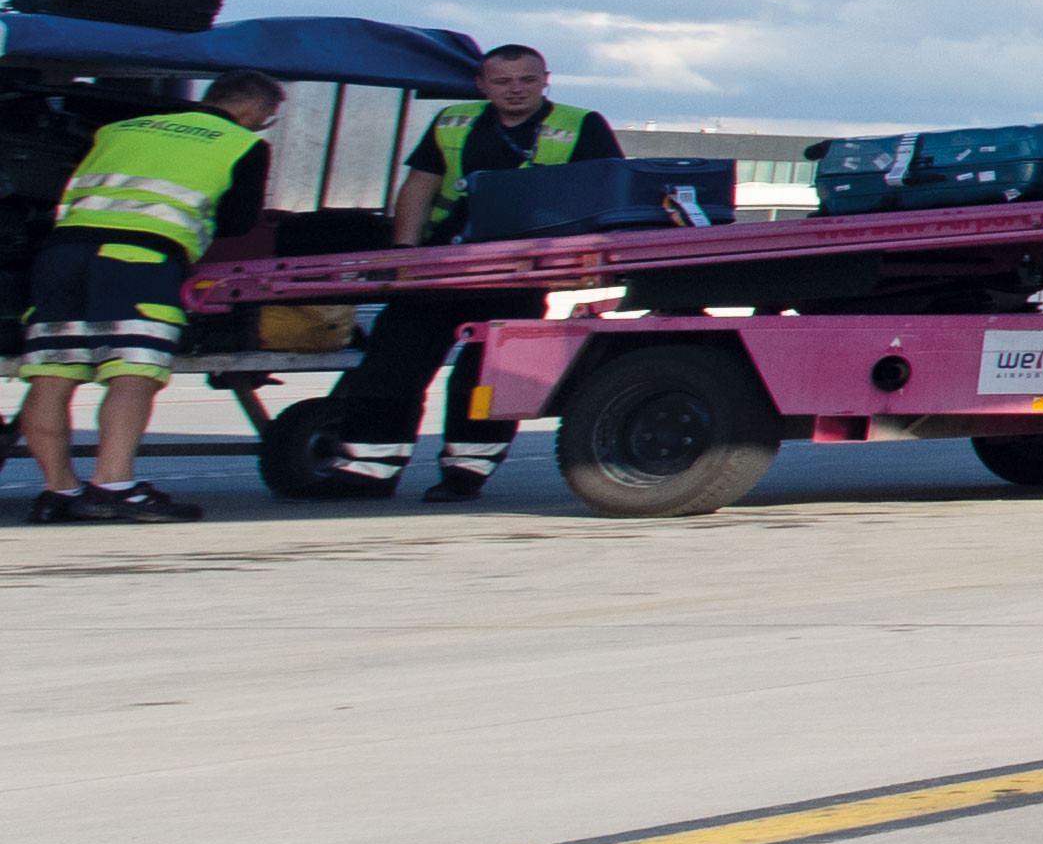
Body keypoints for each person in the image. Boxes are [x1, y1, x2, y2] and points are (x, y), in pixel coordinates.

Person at [323, 43, 627, 501]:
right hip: (440, 267)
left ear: (546, 80)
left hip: (518, 273)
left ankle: (466, 472)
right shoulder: (454, 119)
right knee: (391, 364)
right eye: (502, 82)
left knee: (484, 376)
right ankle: (368, 469)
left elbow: (605, 197)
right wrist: (405, 251)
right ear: (481, 85)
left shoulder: (581, 125)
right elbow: (419, 186)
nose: (516, 90)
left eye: (527, 80)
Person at [24, 71, 283, 523]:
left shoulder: (118, 129)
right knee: (132, 374)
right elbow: (240, 221)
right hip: (139, 259)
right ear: (254, 109)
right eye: (267, 117)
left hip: (61, 256)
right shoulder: (243, 144)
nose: (263, 125)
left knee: (51, 376)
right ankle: (113, 487)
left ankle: (59, 491)